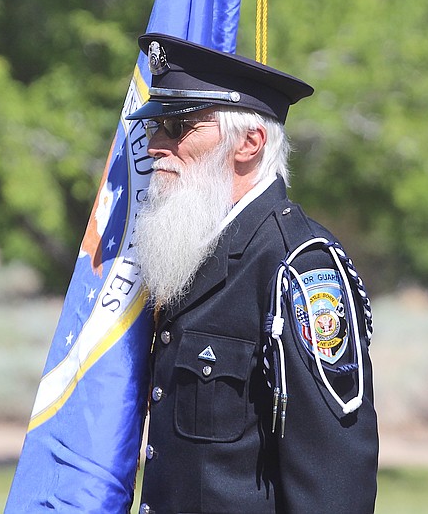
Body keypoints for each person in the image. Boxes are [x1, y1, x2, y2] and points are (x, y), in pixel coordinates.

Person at [127, 33, 379, 514]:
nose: (156, 146)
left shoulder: (300, 267)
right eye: (155, 127)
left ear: (249, 142)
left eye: (178, 128)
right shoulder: (187, 252)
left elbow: (334, 477)